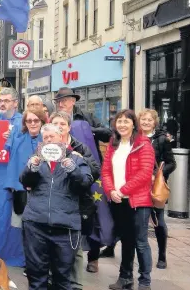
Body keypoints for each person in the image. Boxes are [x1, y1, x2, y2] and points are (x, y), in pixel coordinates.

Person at [21, 124, 93, 290]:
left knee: (62, 278)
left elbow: (85, 182)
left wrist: (73, 170)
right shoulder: (37, 157)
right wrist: (31, 169)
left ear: (61, 137)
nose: (48, 140)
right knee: (36, 276)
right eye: (45, 137)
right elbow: (24, 181)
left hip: (65, 227)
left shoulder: (76, 158)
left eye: (51, 136)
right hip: (36, 224)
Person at [0, 108, 45, 268]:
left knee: (38, 228)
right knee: (19, 224)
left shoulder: (48, 138)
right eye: (29, 121)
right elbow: (0, 148)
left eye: (36, 120)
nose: (32, 123)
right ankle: (26, 258)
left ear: (43, 121)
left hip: (42, 190)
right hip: (20, 189)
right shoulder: (17, 136)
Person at [101, 109, 155, 290]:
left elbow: (145, 173)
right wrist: (110, 190)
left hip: (138, 202)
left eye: (126, 121)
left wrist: (122, 190)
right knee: (125, 240)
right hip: (118, 201)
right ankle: (125, 278)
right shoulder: (113, 143)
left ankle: (145, 282)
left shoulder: (143, 144)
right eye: (119, 121)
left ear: (134, 124)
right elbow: (106, 170)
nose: (122, 124)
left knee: (140, 242)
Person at [50, 111, 100, 287]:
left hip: (75, 205)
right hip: (53, 205)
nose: (59, 127)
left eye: (62, 124)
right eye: (55, 123)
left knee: (75, 247)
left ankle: (76, 284)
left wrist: (81, 161)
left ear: (69, 127)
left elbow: (95, 171)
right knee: (53, 248)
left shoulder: (81, 148)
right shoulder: (45, 147)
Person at [138, 108, 176, 269]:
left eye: (149, 120)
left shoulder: (161, 140)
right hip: (137, 185)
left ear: (155, 122)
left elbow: (171, 163)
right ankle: (112, 247)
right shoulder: (134, 137)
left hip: (154, 187)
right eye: (143, 119)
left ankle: (162, 255)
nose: (146, 122)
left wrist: (157, 174)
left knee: (158, 221)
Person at [53, 87, 112, 162]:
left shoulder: (87, 117)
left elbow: (108, 135)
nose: (60, 104)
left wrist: (89, 130)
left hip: (89, 162)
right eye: (58, 102)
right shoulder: (53, 119)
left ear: (73, 101)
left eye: (64, 100)